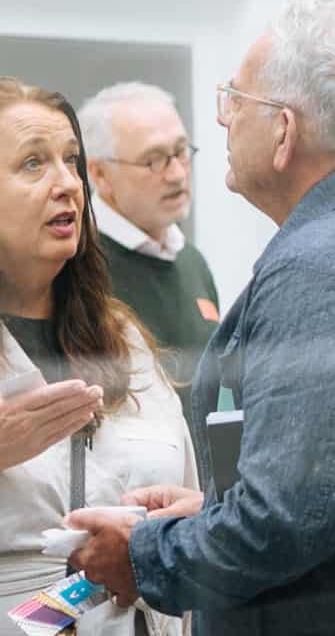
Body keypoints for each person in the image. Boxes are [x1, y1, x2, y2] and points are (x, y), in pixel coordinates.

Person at [68, 0, 335, 636]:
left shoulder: (321, 270)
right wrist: (214, 510)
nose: (222, 121)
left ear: (283, 132)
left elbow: (279, 526)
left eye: (234, 99)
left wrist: (142, 556)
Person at [0, 77, 194, 636]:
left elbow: (186, 482)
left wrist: (192, 516)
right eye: (33, 163)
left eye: (71, 160)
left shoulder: (124, 339)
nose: (67, 183)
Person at [79, 81, 220, 419]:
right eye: (153, 161)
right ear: (99, 173)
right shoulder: (77, 265)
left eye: (181, 152)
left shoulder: (191, 261)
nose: (176, 174)